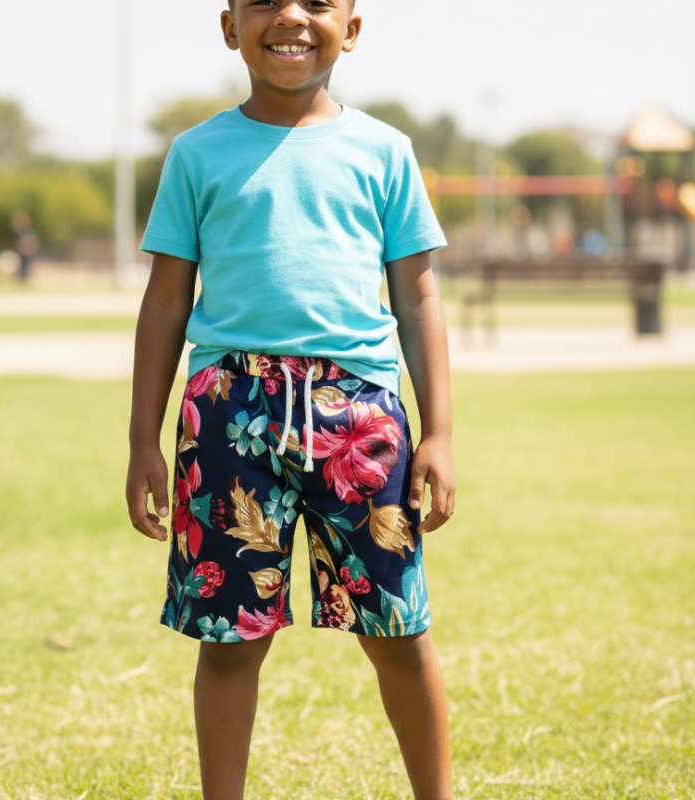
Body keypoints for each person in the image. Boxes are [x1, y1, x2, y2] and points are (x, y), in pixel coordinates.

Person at [126, 2, 456, 798]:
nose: (291, 18)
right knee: (230, 640)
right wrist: (142, 440)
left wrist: (439, 432)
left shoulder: (385, 151)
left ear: (353, 28)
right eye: (266, 1)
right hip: (226, 415)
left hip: (359, 416)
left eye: (316, 2)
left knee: (398, 630)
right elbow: (166, 302)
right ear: (229, 25)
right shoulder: (196, 154)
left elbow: (418, 299)